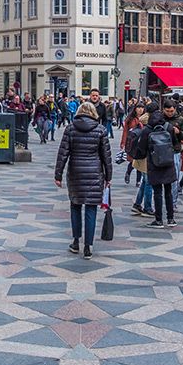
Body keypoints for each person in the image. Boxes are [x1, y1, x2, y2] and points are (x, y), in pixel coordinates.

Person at [55, 102, 112, 257]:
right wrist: (109, 176)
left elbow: (63, 153)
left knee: (75, 205)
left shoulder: (70, 129)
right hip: (94, 173)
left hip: (75, 172)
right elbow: (106, 155)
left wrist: (58, 175)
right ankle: (88, 246)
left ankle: (75, 241)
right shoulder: (101, 130)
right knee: (91, 208)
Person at [136, 110, 178, 228]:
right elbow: (175, 143)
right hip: (168, 163)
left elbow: (142, 149)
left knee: (157, 192)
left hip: (154, 164)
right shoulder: (169, 127)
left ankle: (158, 219)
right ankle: (171, 219)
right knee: (168, 192)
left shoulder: (147, 130)